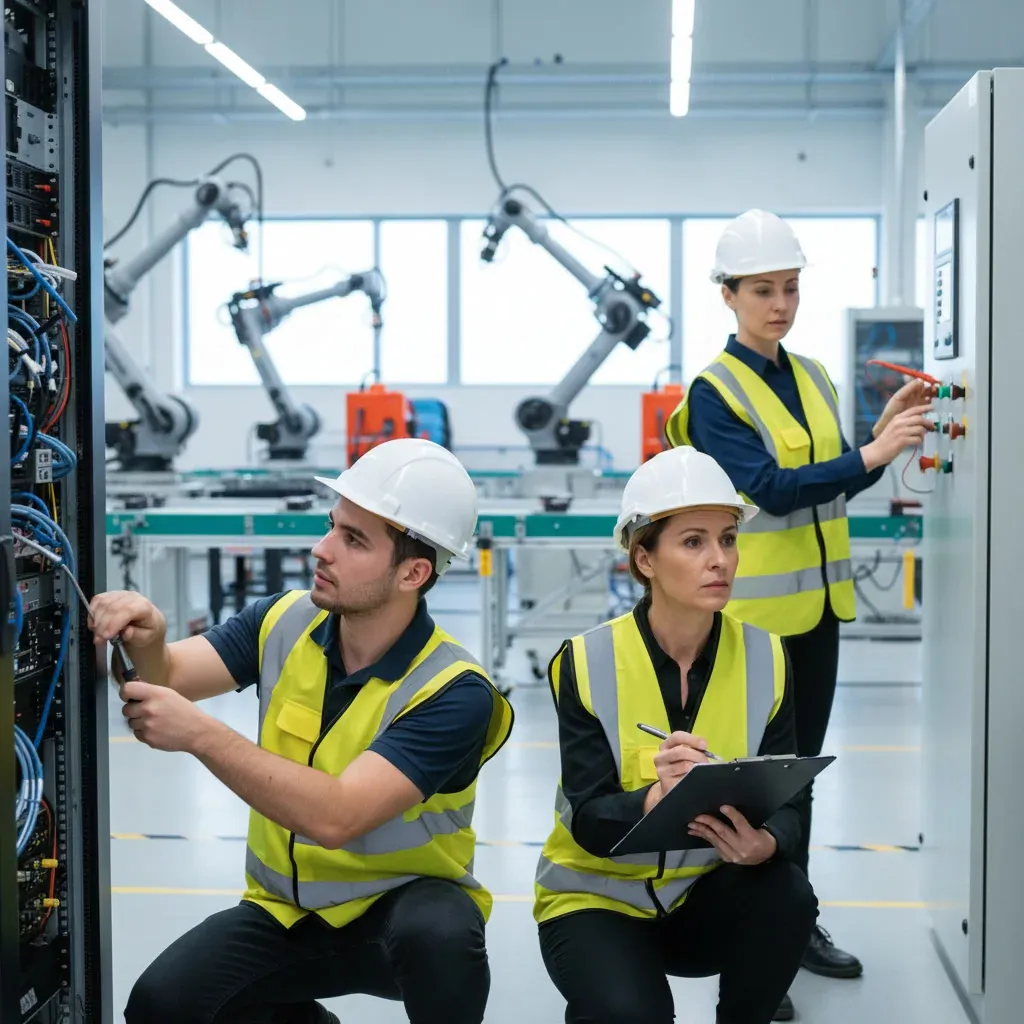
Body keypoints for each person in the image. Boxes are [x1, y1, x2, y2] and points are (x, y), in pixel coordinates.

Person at [90, 438, 514, 1024]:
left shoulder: (455, 690)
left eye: (353, 539)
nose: (322, 549)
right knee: (162, 1004)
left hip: (395, 924)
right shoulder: (284, 621)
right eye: (332, 526)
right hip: (286, 912)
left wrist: (203, 736)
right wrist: (151, 638)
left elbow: (337, 817)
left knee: (442, 934)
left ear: (413, 572)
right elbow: (175, 676)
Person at [664, 209, 934, 1008]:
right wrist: (870, 453)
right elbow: (772, 490)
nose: (780, 304)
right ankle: (741, 936)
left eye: (789, 288)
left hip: (818, 614)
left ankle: (791, 922)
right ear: (728, 296)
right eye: (762, 290)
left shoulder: (812, 375)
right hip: (752, 624)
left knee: (798, 781)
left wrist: (874, 443)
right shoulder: (715, 392)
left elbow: (838, 478)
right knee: (746, 786)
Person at [534, 446, 819, 1024]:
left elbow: (793, 800)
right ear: (645, 558)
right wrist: (651, 801)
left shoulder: (769, 657)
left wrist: (770, 844)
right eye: (693, 542)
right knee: (631, 1013)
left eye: (728, 538)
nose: (721, 560)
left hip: (702, 901)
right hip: (595, 901)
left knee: (788, 894)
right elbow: (587, 817)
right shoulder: (585, 661)